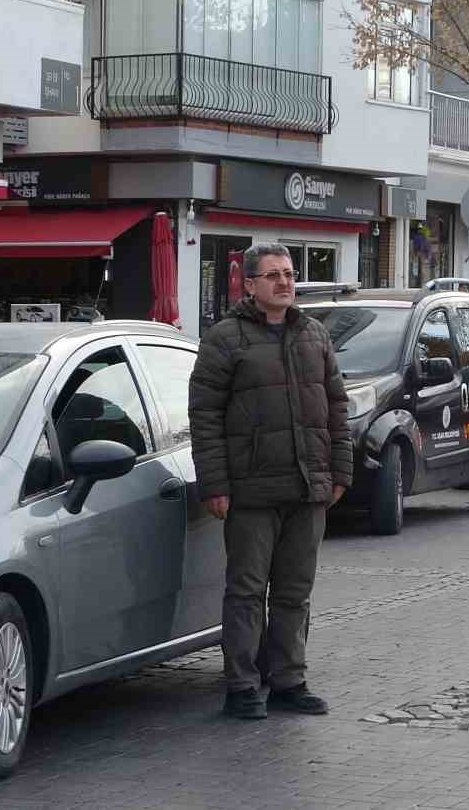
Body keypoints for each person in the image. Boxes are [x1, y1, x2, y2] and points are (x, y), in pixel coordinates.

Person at [188, 242, 352, 721]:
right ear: (251, 285)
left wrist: (340, 470)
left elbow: (337, 408)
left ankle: (288, 681)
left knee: (294, 592)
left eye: (289, 273)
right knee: (245, 592)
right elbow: (205, 416)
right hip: (251, 490)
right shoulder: (225, 339)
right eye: (273, 275)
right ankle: (241, 685)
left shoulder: (314, 334)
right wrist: (214, 485)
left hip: (307, 489)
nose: (284, 282)